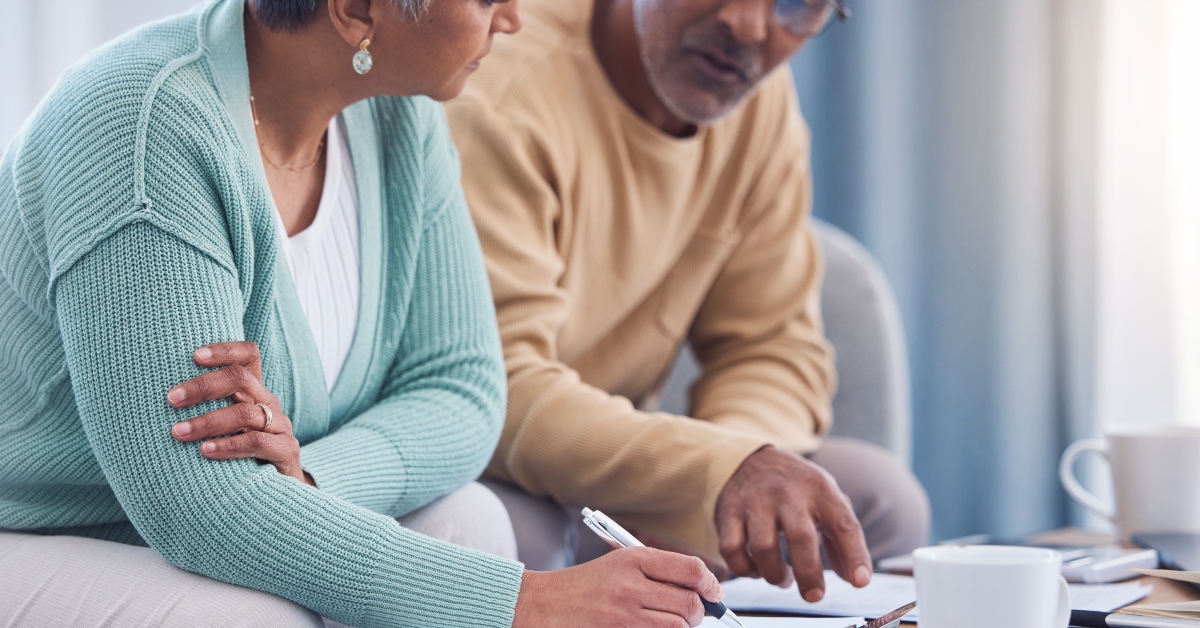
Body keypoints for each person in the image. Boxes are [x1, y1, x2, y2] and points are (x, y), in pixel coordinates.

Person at [0, 0, 728, 626]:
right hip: (35, 527)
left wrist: (310, 477)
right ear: (354, 10)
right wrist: (522, 602)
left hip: (179, 520)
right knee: (254, 619)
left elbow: (463, 389)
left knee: (470, 520)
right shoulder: (139, 125)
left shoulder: (399, 116)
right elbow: (200, 505)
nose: (513, 17)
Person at [446, 0, 932, 602]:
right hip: (500, 466)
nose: (749, 26)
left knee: (881, 500)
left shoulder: (758, 102)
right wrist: (710, 472)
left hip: (631, 465)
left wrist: (719, 491)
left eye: (798, 5)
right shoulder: (502, 92)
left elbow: (772, 346)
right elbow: (498, 393)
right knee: (520, 537)